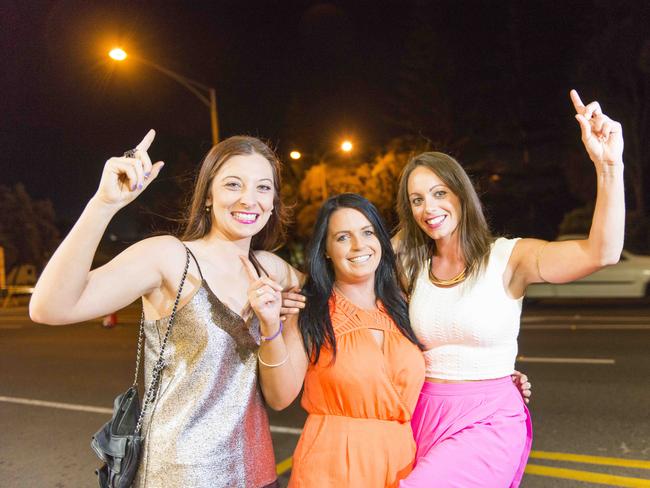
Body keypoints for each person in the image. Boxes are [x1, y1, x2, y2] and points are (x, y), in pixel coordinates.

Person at [29, 132, 301, 488]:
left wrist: (275, 324)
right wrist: (104, 205)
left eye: (263, 188)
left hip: (259, 475)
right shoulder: (170, 258)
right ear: (208, 195)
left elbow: (344, 282)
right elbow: (50, 306)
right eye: (233, 184)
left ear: (274, 201)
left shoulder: (273, 270)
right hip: (178, 475)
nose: (249, 199)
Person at [395, 90, 625, 487]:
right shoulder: (410, 266)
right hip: (423, 415)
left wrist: (608, 167)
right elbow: (351, 274)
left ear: (461, 195)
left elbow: (601, 252)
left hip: (489, 420)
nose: (428, 208)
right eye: (416, 199)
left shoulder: (509, 258)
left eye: (438, 193)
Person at [246, 194, 531, 487]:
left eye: (368, 232)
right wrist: (270, 328)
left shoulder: (405, 307)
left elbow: (441, 369)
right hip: (333, 466)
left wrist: (493, 382)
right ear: (326, 250)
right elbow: (279, 397)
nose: (359, 246)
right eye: (343, 237)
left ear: (381, 241)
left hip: (402, 462)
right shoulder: (311, 309)